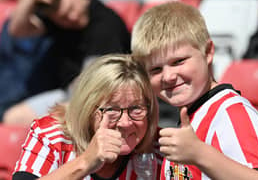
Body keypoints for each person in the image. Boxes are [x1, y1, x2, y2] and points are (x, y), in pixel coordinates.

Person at [131, 1, 258, 180]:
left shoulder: (231, 113)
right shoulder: (193, 115)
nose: (168, 76)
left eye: (179, 61)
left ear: (208, 52)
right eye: (156, 70)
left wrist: (200, 154)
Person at [12, 53, 161, 180]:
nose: (125, 123)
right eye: (112, 110)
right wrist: (85, 163)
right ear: (88, 108)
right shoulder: (51, 135)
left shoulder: (163, 149)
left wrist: (184, 159)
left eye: (136, 108)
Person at [0, 0, 131, 120]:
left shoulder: (106, 25)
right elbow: (16, 30)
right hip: (66, 91)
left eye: (72, 9)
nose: (72, 17)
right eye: (64, 18)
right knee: (12, 115)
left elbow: (93, 85)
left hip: (97, 99)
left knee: (16, 116)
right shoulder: (57, 13)